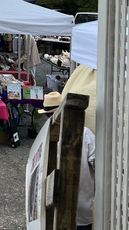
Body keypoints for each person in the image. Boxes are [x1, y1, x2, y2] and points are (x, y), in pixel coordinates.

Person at [39, 92, 95, 230]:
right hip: (83, 205)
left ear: (47, 115)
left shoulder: (45, 138)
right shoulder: (86, 133)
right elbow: (98, 165)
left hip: (54, 206)